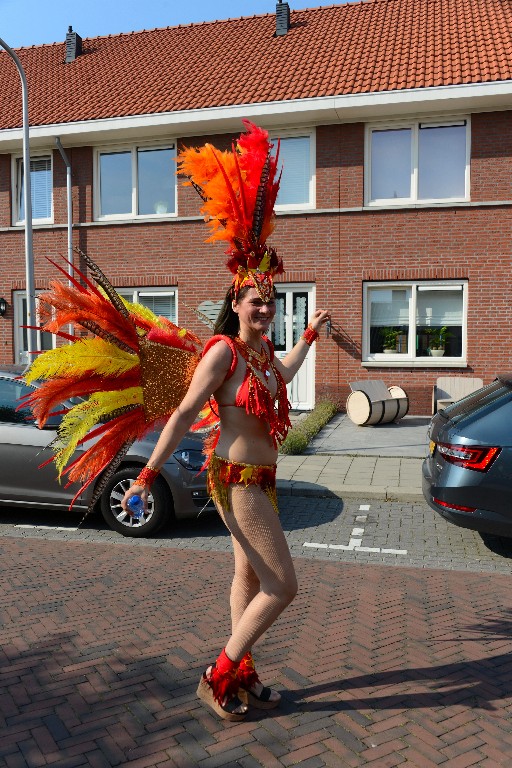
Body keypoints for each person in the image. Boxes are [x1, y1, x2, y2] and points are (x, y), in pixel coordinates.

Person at [121, 121, 330, 720]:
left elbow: (284, 377)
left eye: (271, 300)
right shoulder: (223, 352)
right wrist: (146, 475)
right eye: (254, 300)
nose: (265, 308)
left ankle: (244, 673)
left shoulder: (263, 353)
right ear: (235, 302)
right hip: (235, 479)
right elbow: (186, 413)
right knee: (283, 586)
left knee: (246, 574)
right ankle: (218, 674)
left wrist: (310, 336)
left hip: (258, 479)